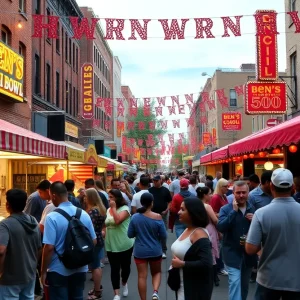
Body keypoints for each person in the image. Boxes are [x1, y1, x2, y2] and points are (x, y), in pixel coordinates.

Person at [246, 168, 300, 299]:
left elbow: (251, 248)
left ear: (271, 186)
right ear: (292, 187)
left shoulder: (261, 214)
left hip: (269, 278)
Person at [41, 182, 96, 299]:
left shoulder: (52, 217)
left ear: (54, 195)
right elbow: (94, 241)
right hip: (80, 268)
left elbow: (49, 247)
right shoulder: (84, 214)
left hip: (58, 270)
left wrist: (43, 271)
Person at [217, 181, 256, 300]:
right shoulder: (226, 209)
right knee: (234, 282)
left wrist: (256, 220)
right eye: (238, 193)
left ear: (248, 193)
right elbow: (221, 227)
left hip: (248, 254)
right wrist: (233, 212)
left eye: (244, 192)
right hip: (232, 252)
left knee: (244, 285)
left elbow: (263, 230)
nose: (241, 195)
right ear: (233, 193)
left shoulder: (253, 209)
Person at [0, 189, 42, 300]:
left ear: (8, 205)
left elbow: (1, 250)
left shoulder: (5, 225)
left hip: (10, 278)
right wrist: (32, 265)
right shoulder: (33, 221)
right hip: (29, 275)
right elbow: (39, 248)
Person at [171, 197, 213, 300]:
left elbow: (206, 263)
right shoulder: (188, 229)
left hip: (193, 288)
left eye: (183, 209)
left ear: (193, 212)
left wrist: (182, 264)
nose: (179, 212)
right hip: (183, 283)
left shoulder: (199, 234)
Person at [128, 193, 167, 300]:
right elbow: (164, 235)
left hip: (140, 251)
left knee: (141, 276)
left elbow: (130, 234)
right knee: (157, 272)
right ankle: (155, 292)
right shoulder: (158, 217)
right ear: (152, 203)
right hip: (155, 250)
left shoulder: (135, 217)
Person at [105, 189, 134, 300]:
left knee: (125, 268)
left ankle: (124, 282)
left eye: (111, 197)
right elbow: (106, 223)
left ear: (117, 198)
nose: (109, 199)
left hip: (124, 243)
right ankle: (116, 294)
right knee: (114, 269)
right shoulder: (108, 210)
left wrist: (113, 208)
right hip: (111, 244)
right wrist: (104, 231)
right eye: (109, 197)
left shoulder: (125, 209)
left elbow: (117, 221)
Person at [85, 188, 107, 300]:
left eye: (85, 196)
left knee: (95, 266)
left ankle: (97, 291)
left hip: (94, 239)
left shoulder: (93, 211)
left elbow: (90, 228)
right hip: (99, 238)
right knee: (96, 265)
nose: (84, 198)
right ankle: (97, 288)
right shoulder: (101, 209)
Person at [196, 186, 220, 287]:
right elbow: (215, 220)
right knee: (212, 252)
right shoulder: (207, 206)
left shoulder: (195, 205)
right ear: (205, 195)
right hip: (209, 230)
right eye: (210, 193)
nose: (211, 195)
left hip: (197, 229)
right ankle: (214, 277)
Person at [149, 175, 172, 258]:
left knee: (163, 233)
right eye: (153, 181)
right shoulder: (150, 190)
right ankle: (154, 249)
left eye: (156, 181)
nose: (155, 182)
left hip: (163, 215)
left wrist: (166, 210)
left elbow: (170, 202)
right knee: (152, 232)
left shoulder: (165, 190)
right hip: (152, 214)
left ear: (160, 181)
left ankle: (163, 250)